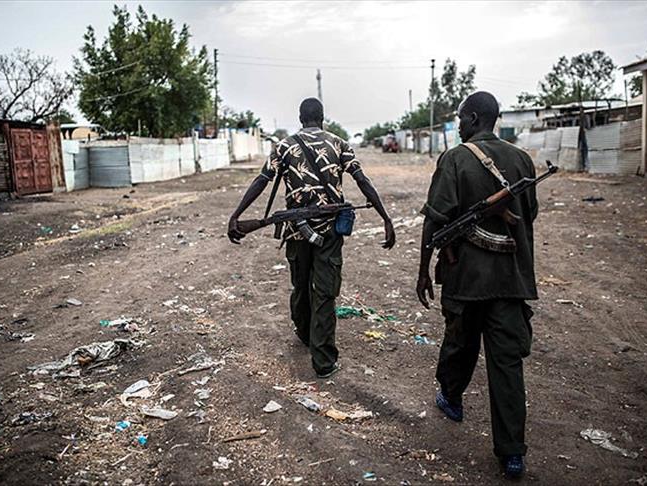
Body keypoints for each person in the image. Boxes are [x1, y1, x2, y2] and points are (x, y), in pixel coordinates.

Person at [416, 91, 538, 479]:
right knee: (507, 365)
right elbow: (530, 212)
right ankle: (512, 453)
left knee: (459, 344)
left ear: (472, 118)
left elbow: (435, 218)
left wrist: (423, 271)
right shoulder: (521, 159)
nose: (458, 126)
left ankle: (451, 398)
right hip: (510, 279)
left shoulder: (455, 158)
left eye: (459, 119)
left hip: (466, 279)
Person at [228, 98, 396, 378]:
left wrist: (236, 214)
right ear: (322, 118)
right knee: (325, 292)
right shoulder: (340, 144)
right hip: (329, 232)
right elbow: (362, 180)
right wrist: (386, 218)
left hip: (297, 231)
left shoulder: (284, 146)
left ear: (300, 118)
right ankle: (323, 361)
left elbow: (262, 180)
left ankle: (306, 333)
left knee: (301, 285)